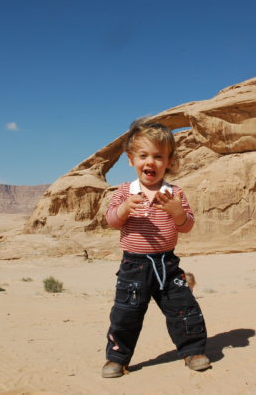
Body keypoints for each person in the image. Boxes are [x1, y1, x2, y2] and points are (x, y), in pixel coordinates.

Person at [101, 119, 210, 378]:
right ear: (131, 160)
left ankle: (193, 351)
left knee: (184, 309)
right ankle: (117, 359)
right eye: (143, 156)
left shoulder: (175, 193)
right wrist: (124, 209)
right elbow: (111, 220)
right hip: (133, 267)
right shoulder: (125, 192)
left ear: (169, 161)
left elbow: (187, 226)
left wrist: (176, 212)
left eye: (158, 156)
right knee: (125, 314)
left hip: (167, 265)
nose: (150, 162)